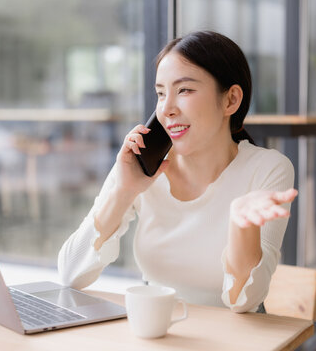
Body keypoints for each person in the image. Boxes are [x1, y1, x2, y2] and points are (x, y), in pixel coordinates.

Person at [58, 30, 297, 313]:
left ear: (231, 100)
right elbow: (71, 275)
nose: (166, 109)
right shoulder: (142, 166)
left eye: (184, 90)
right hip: (157, 330)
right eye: (160, 93)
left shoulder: (268, 169)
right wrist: (124, 191)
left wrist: (240, 225)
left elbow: (244, 302)